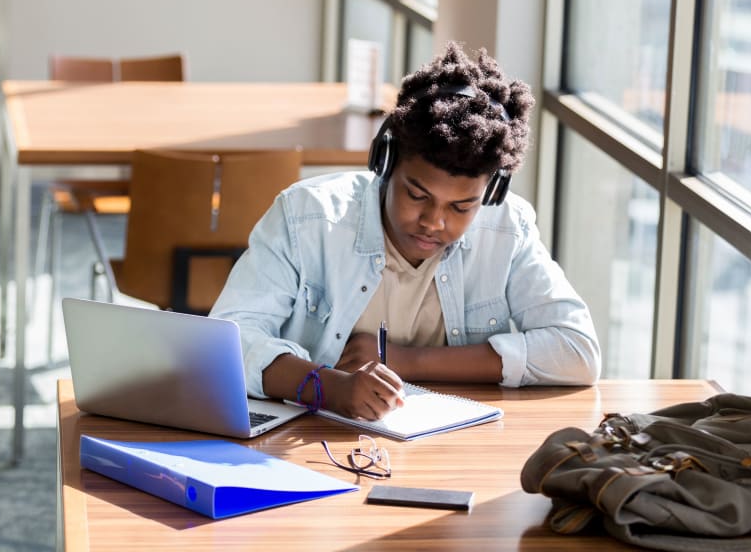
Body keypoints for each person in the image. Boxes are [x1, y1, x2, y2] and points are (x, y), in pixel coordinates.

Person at [210, 42, 600, 421]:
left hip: (447, 447)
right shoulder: (306, 216)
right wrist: (329, 388)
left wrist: (406, 360)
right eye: (417, 194)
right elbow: (228, 343)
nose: (433, 221)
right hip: (315, 443)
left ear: (491, 192)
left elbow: (577, 351)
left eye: (462, 207)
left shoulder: (507, 229)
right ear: (385, 162)